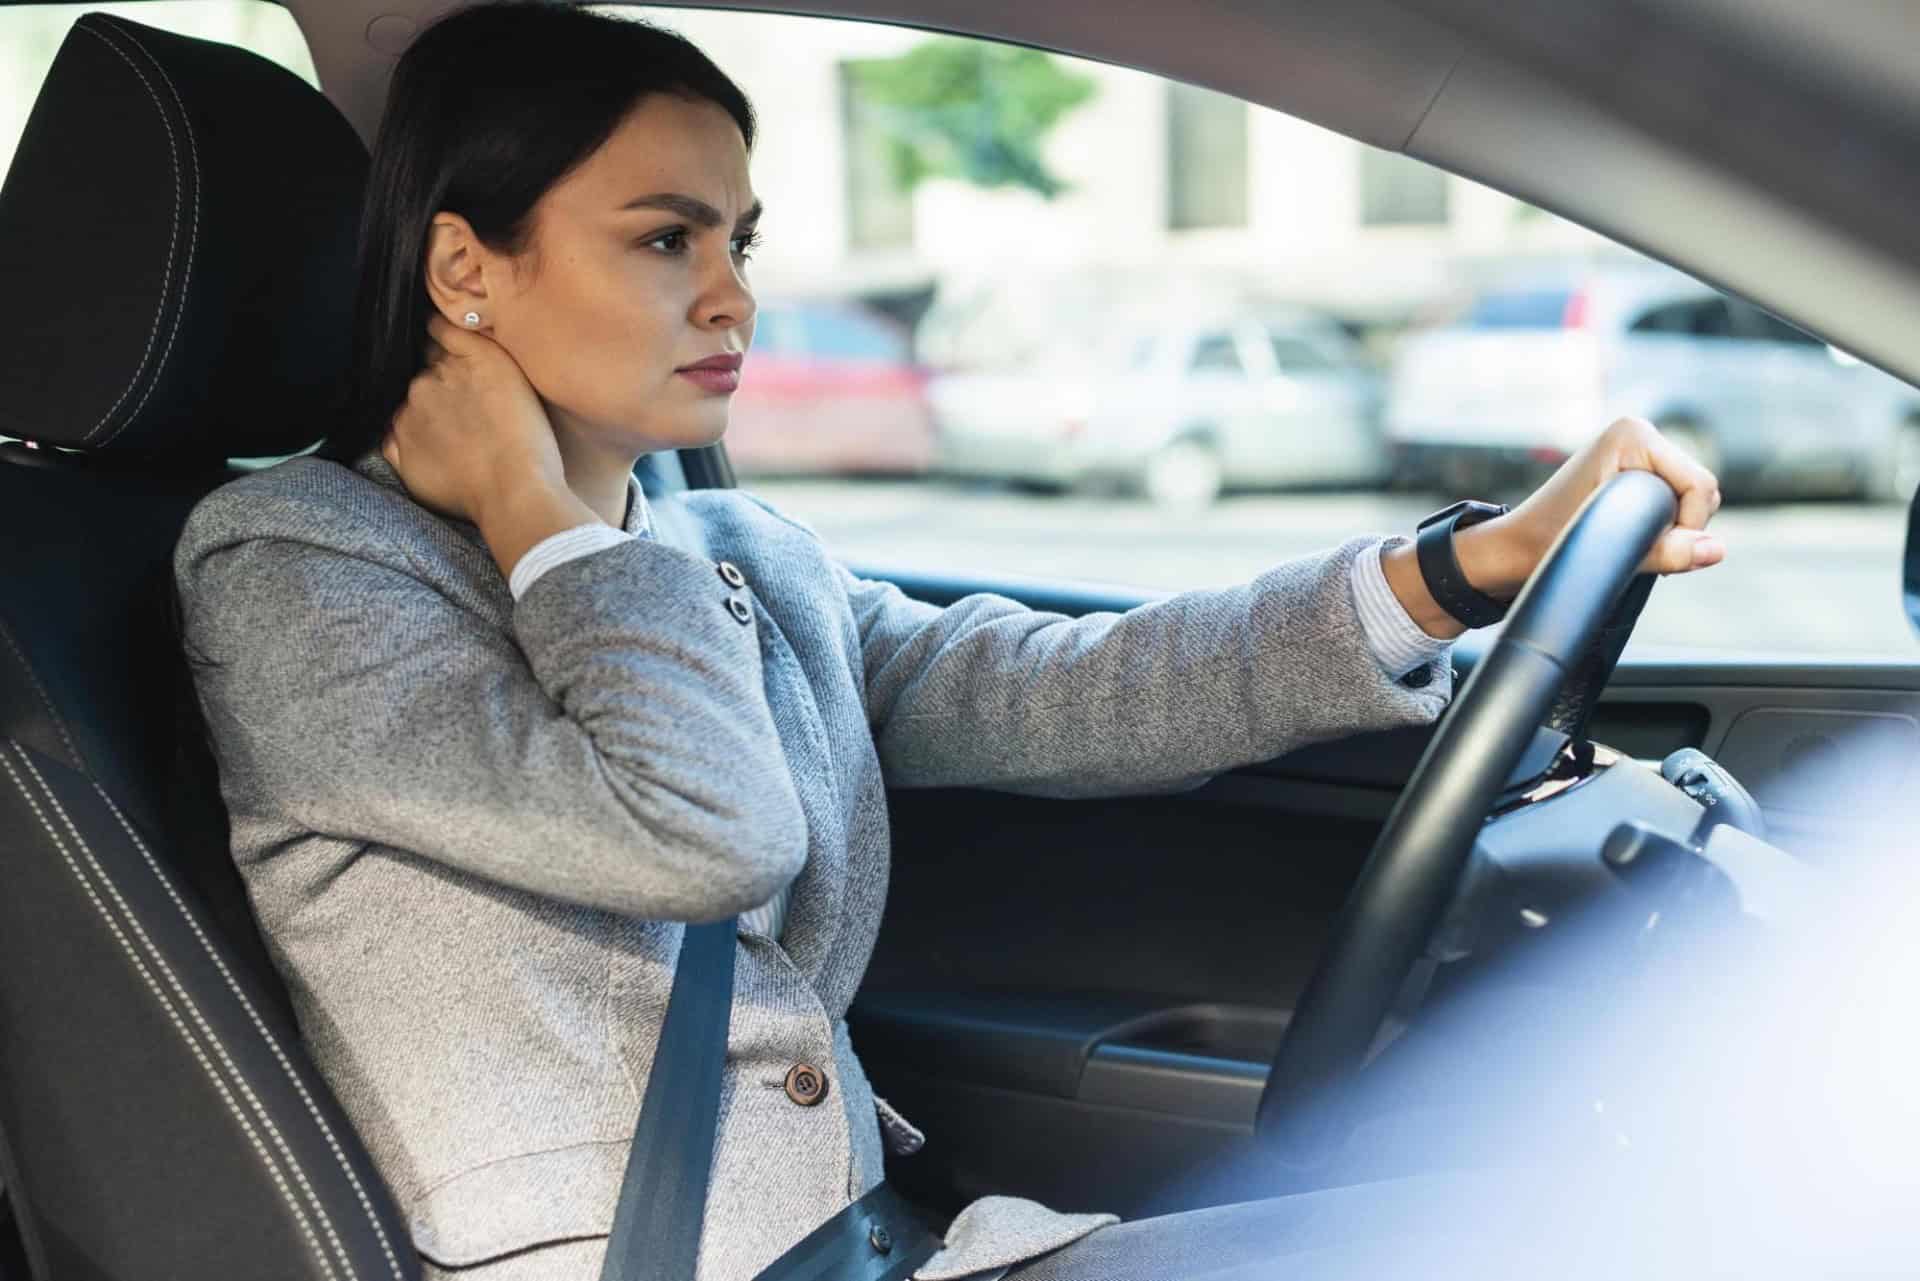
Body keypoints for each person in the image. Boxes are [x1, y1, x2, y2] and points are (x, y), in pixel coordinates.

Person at [171, 4, 1724, 1279]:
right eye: (665, 240)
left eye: (742, 239)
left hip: (883, 1244)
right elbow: (704, 828)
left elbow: (1068, 685)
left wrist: (1467, 564)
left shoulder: (727, 552)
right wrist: (532, 505)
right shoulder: (298, 574)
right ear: (465, 270)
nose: (734, 296)